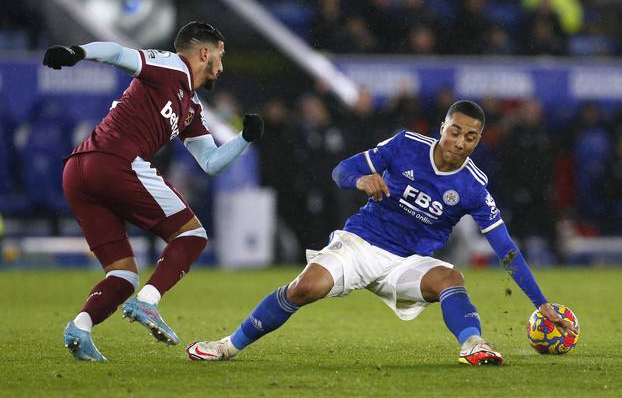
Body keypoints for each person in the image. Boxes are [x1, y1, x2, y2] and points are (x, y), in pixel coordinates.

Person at [186, 100, 577, 366]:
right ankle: (228, 346)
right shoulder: (405, 144)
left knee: (451, 277)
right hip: (360, 243)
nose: (459, 143)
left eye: (470, 137)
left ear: (478, 140)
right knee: (305, 288)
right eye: (454, 131)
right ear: (442, 127)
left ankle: (474, 344)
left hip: (406, 264)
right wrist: (361, 181)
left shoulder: (474, 186)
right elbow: (340, 171)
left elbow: (505, 248)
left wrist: (540, 302)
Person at [42, 21, 264, 362]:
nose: (222, 63)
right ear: (206, 51)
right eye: (221, 53)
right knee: (193, 236)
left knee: (123, 273)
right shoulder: (171, 65)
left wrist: (244, 139)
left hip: (79, 170)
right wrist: (78, 53)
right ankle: (148, 302)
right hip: (117, 162)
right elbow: (118, 53)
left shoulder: (190, 107)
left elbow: (211, 162)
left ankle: (80, 328)